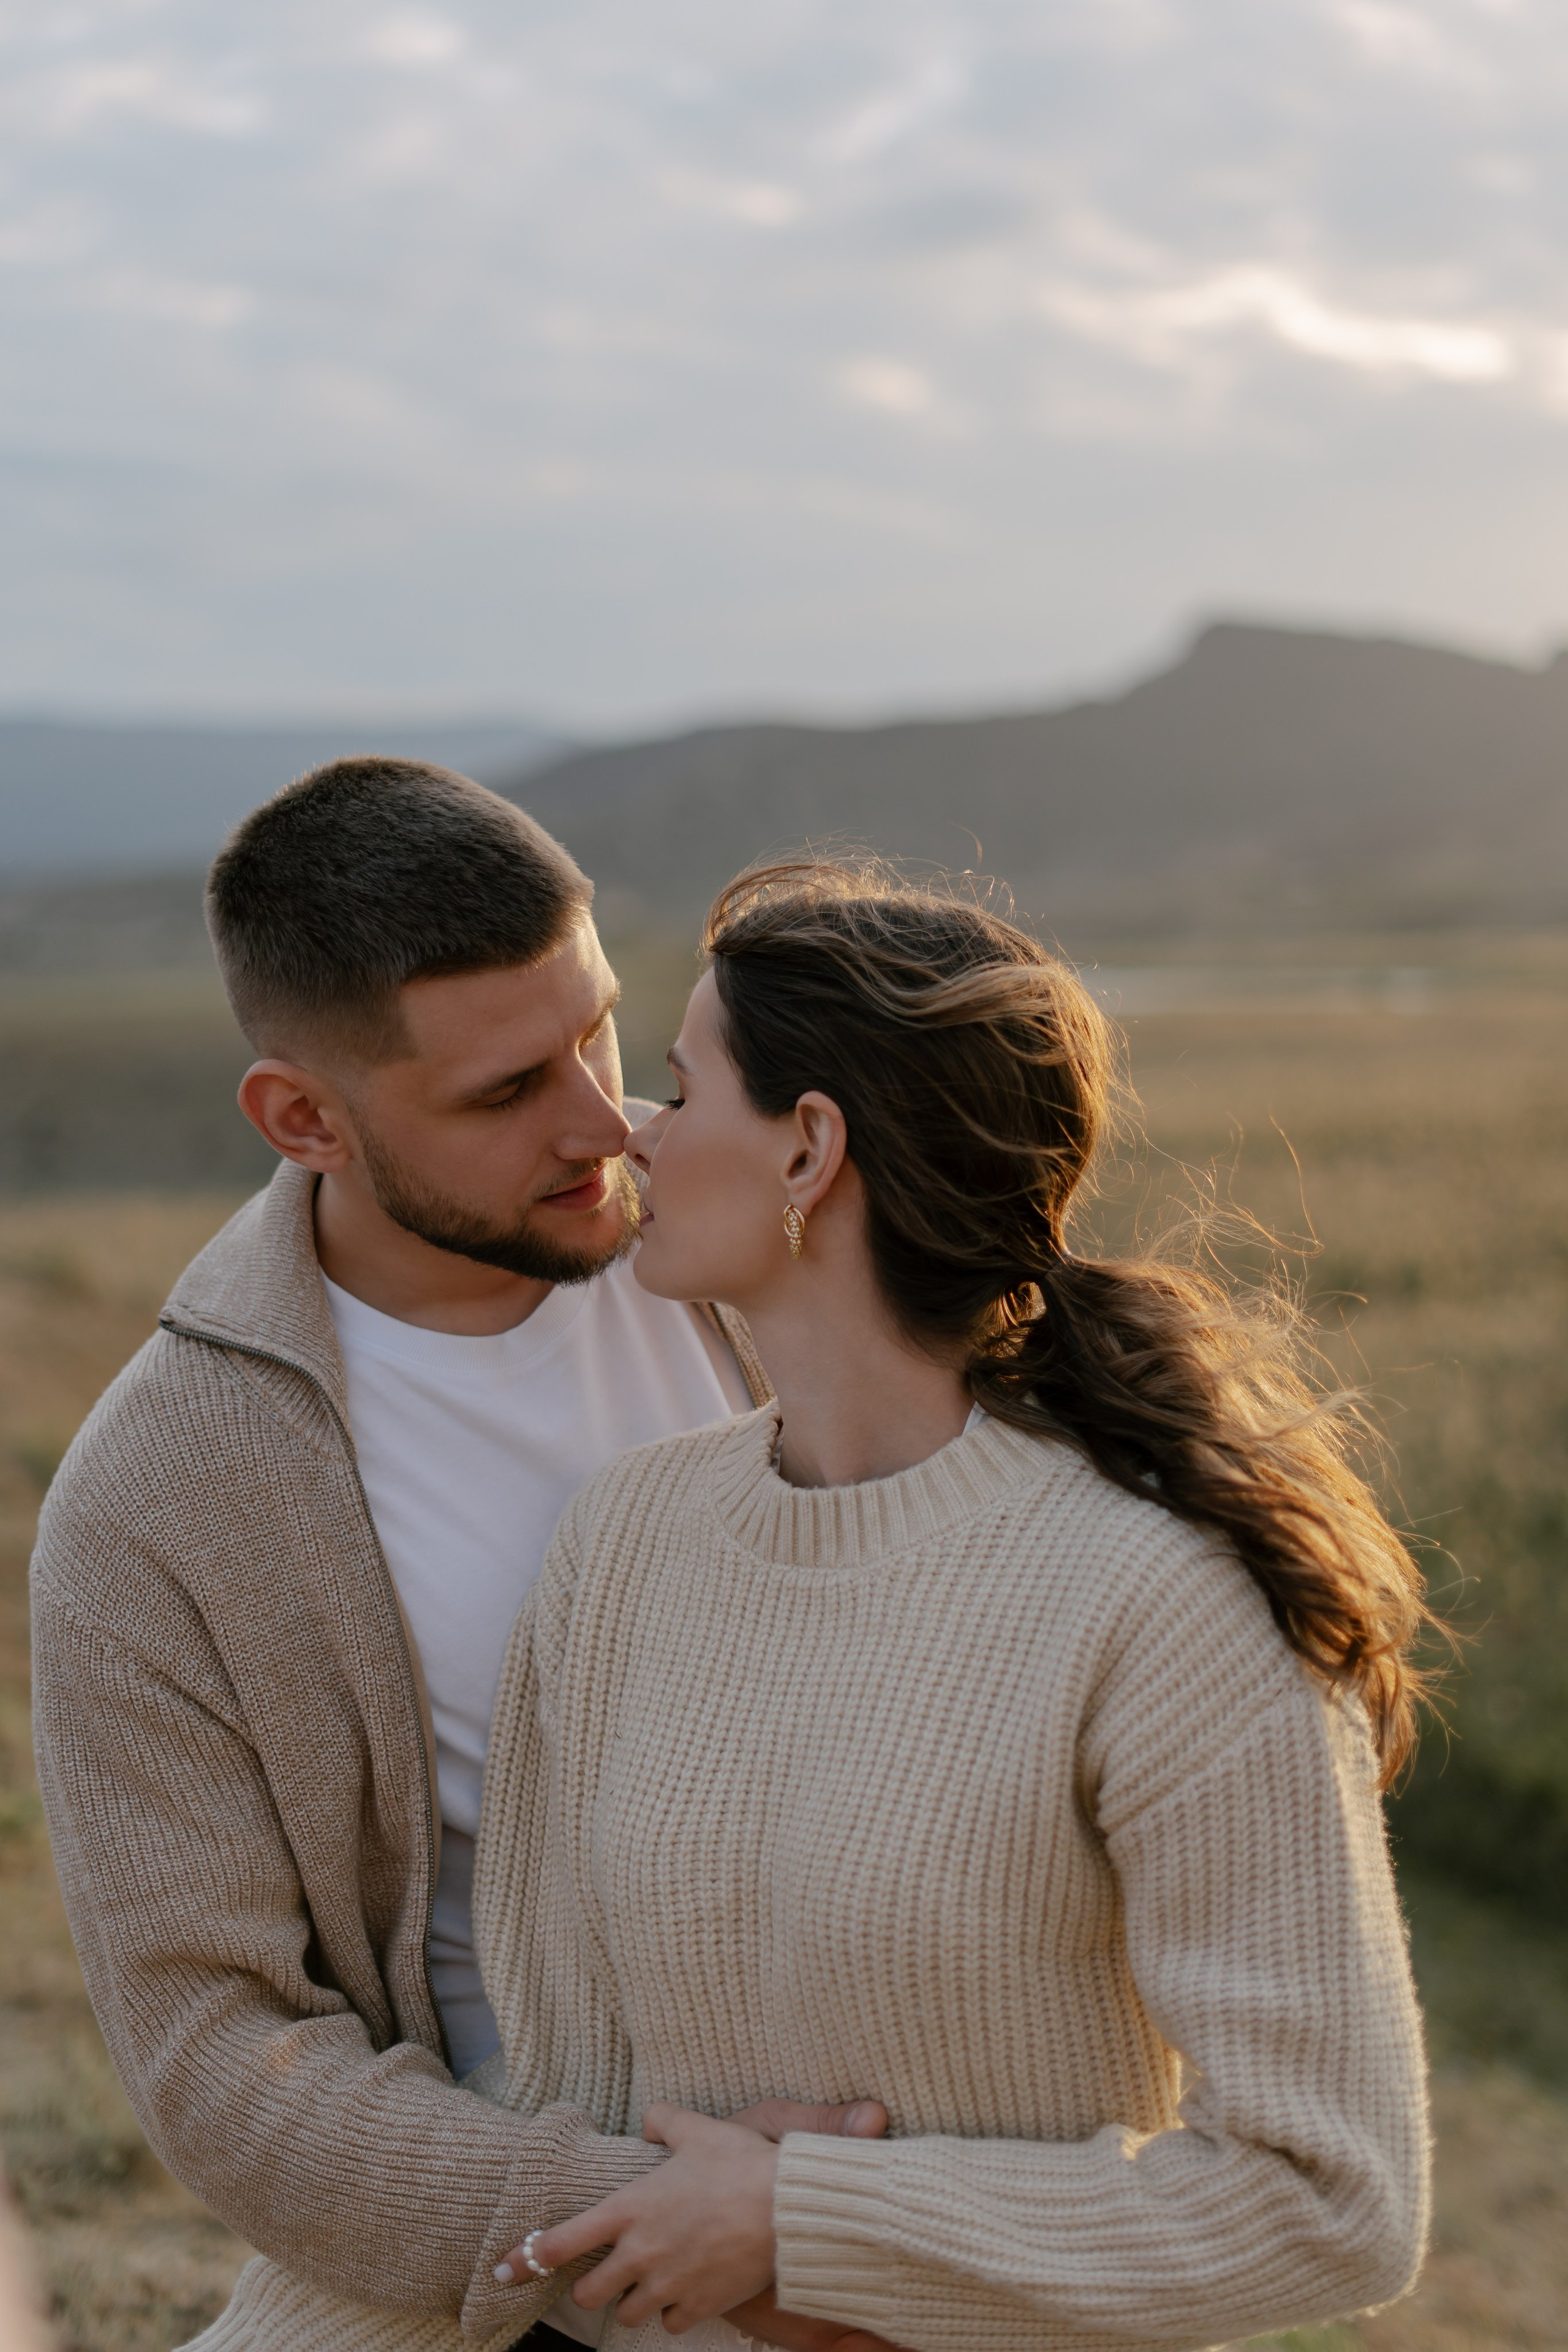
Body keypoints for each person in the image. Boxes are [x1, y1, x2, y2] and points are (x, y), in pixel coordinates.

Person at [473, 858, 1432, 2348]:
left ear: (808, 1150)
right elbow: (560, 2082)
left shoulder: (1157, 1600)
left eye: (681, 1086)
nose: (632, 1134)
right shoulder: (622, 1543)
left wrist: (810, 2230)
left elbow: (1329, 2198)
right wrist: (672, 2233)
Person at [31, 766, 895, 2352]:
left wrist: (874, 2216)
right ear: (304, 1120)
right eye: (505, 1095)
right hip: (518, 2219)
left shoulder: (778, 1229)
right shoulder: (160, 1504)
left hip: (924, 2138)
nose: (602, 1123)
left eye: (599, 1033)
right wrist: (648, 2221)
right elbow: (218, 2056)